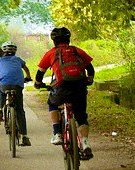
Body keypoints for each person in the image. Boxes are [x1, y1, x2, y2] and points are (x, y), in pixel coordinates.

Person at [34, 27, 95, 159]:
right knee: (81, 117)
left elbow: (40, 73)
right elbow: (90, 69)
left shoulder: (51, 53)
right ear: (68, 39)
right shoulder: (77, 51)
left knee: (52, 104)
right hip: (79, 86)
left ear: (54, 40)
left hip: (61, 87)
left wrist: (38, 84)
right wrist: (89, 79)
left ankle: (57, 133)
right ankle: (85, 143)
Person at [0, 41, 32, 146]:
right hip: (17, 85)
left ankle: (0, 109)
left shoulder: (0, 61)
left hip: (5, 85)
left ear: (3, 51)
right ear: (15, 51)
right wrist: (28, 77)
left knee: (0, 92)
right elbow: (26, 69)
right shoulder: (18, 59)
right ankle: (24, 136)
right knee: (20, 110)